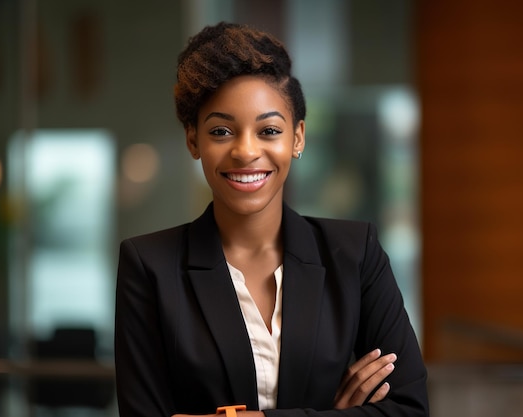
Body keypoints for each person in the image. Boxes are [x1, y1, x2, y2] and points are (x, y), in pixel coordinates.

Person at [115, 22, 429, 417]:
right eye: (221, 131)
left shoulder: (354, 254)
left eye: (268, 130)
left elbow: (410, 409)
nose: (246, 151)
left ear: (297, 137)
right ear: (193, 140)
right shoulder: (150, 266)